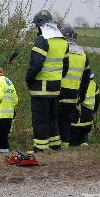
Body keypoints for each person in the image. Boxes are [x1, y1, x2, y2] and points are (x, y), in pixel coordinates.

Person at [26, 10, 65, 151]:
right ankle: (55, 145)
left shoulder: (42, 40)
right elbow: (65, 66)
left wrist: (28, 80)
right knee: (53, 118)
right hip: (55, 88)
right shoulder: (61, 40)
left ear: (40, 25)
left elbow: (35, 64)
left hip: (41, 87)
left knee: (40, 119)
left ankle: (40, 148)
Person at [58, 25, 91, 147]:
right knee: (67, 120)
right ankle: (65, 145)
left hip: (59, 92)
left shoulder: (61, 50)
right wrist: (81, 95)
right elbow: (86, 78)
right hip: (73, 95)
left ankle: (55, 146)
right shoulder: (82, 54)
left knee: (55, 119)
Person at [69, 71, 100, 146]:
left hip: (75, 117)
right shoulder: (94, 84)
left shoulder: (74, 83)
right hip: (88, 117)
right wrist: (93, 112)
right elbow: (97, 100)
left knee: (72, 141)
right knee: (84, 137)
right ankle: (84, 146)